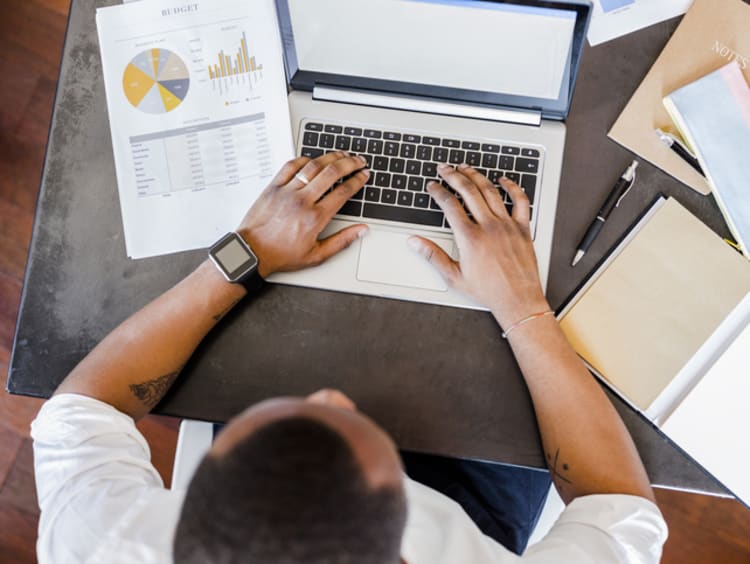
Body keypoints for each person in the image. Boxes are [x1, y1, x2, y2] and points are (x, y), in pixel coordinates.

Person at [31, 152, 668, 563]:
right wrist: (523, 305)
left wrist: (245, 253)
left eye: (276, 429)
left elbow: (81, 412)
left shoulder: (105, 543)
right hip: (478, 507)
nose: (332, 396)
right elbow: (622, 511)